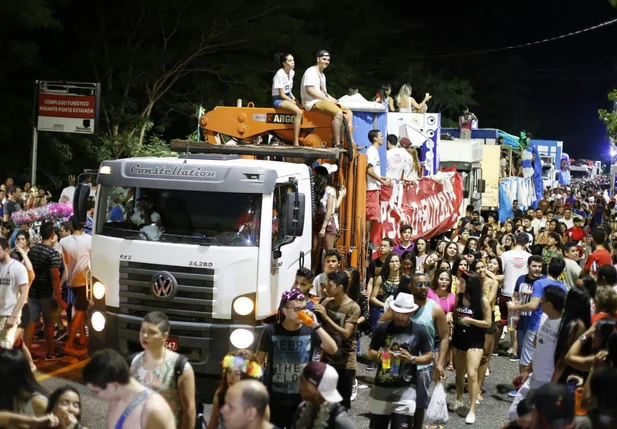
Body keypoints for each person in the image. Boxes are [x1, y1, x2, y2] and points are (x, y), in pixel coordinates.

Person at [256, 289, 337, 429]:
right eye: (296, 309)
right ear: (284, 310)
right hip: (275, 398)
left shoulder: (310, 331)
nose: (302, 312)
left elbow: (332, 349)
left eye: (304, 308)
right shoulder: (271, 330)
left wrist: (316, 325)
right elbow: (257, 362)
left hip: (302, 399)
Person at [367, 293, 432, 429]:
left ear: (412, 312)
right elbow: (370, 352)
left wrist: (412, 358)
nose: (401, 317)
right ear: (393, 310)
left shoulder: (419, 331)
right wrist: (384, 356)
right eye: (398, 313)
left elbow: (428, 357)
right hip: (381, 387)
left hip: (406, 389)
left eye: (406, 313)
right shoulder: (383, 328)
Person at [129, 311, 196, 429]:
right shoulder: (133, 362)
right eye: (142, 330)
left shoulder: (180, 367)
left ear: (164, 336)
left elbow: (189, 410)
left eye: (152, 332)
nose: (144, 336)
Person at [507, 286, 566, 420]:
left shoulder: (563, 326)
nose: (540, 302)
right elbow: (539, 348)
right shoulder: (545, 318)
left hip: (548, 383)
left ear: (550, 304)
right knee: (514, 415)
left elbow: (562, 361)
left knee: (537, 421)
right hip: (533, 378)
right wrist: (527, 371)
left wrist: (552, 386)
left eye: (543, 300)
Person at [83, 349, 175, 429]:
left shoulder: (153, 410)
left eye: (95, 392)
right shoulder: (116, 399)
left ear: (112, 387)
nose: (96, 396)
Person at [508, 258, 568, 375]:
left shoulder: (539, 283)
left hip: (536, 325)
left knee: (526, 358)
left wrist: (514, 307)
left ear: (548, 268)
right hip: (554, 327)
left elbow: (533, 305)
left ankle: (521, 388)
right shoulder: (563, 287)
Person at [313, 270, 360, 410]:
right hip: (327, 360)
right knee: (325, 402)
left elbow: (346, 333)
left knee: (341, 406)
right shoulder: (327, 302)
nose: (325, 288)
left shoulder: (353, 307)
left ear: (340, 288)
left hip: (345, 363)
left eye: (330, 285)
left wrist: (326, 316)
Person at [450, 272, 491, 424]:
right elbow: (455, 316)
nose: (459, 285)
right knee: (459, 372)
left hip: (475, 341)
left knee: (472, 374)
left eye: (462, 282)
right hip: (459, 338)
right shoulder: (458, 298)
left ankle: (472, 409)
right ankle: (459, 398)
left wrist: (471, 320)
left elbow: (487, 323)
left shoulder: (482, 301)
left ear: (470, 284)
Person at [25, 221, 66, 360]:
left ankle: (27, 354)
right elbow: (55, 278)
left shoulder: (33, 250)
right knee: (49, 325)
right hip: (47, 294)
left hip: (32, 293)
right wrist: (59, 298)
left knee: (31, 323)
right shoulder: (52, 254)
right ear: (52, 235)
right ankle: (50, 353)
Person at [300, 50, 352, 148]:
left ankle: (349, 141)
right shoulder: (311, 71)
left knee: (349, 112)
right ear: (317, 59)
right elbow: (310, 90)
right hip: (312, 102)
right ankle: (337, 143)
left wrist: (334, 100)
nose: (326, 62)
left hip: (321, 100)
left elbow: (324, 93)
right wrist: (327, 100)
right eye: (324, 59)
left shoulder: (322, 75)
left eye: (328, 60)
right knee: (338, 113)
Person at [58, 216, 91, 356]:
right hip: (84, 280)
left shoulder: (63, 241)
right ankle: (69, 343)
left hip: (71, 280)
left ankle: (82, 338)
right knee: (81, 311)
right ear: (83, 225)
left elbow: (58, 257)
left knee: (78, 309)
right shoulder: (89, 239)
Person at [208, 350, 265, 429]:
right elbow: (212, 425)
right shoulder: (220, 394)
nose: (232, 377)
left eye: (237, 373)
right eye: (229, 371)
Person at [291, 361, 355, 429]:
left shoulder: (339, 420)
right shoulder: (303, 407)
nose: (300, 386)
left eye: (303, 381)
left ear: (318, 388)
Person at [500, 233, 533, 358]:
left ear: (514, 241)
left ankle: (513, 348)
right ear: (527, 243)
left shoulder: (505, 255)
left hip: (507, 290)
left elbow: (501, 271)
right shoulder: (529, 256)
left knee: (509, 321)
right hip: (523, 291)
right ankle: (518, 348)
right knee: (520, 321)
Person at [0, 237, 29, 349]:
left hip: (8, 314)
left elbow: (24, 293)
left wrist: (13, 316)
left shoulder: (18, 268)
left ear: (7, 250)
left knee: (5, 350)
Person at [272, 53, 303, 146]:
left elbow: (289, 91)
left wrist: (295, 100)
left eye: (293, 60)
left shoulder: (292, 73)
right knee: (298, 112)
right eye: (289, 61)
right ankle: (296, 141)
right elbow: (282, 94)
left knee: (303, 108)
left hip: (288, 96)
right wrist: (293, 102)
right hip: (279, 99)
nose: (292, 62)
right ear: (284, 63)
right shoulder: (279, 74)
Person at [365, 130, 391, 241]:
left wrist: (382, 178)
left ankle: (367, 239)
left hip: (374, 188)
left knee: (373, 216)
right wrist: (382, 181)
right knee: (370, 216)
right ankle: (366, 240)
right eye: (381, 136)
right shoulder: (371, 151)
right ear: (375, 138)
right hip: (371, 188)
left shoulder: (374, 151)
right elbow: (369, 170)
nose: (383, 138)